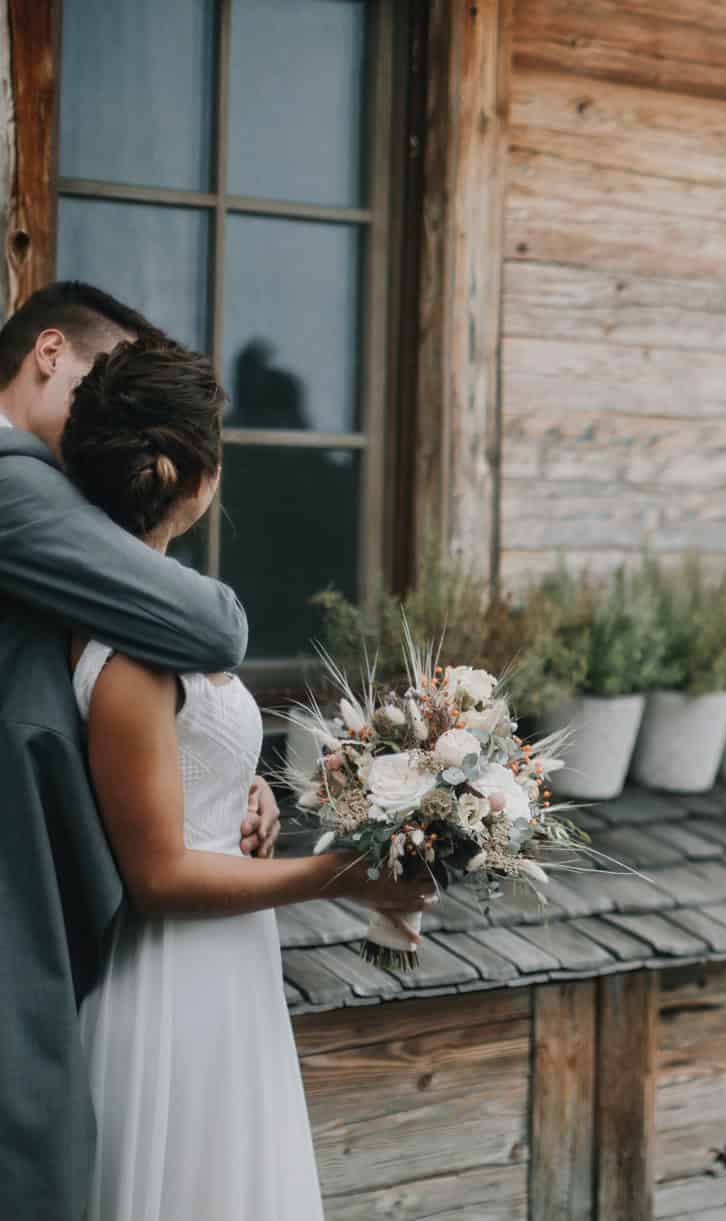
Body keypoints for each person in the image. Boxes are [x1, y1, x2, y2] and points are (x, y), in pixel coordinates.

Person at [59, 337, 433, 1221]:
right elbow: (157, 875)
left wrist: (243, 789)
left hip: (228, 960)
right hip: (169, 977)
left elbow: (178, 760)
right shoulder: (131, 647)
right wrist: (336, 876)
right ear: (198, 477)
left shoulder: (163, 603)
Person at [0, 282, 264, 1219]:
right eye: (98, 385)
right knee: (16, 1156)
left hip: (13, 863)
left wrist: (220, 772)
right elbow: (216, 626)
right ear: (48, 353)